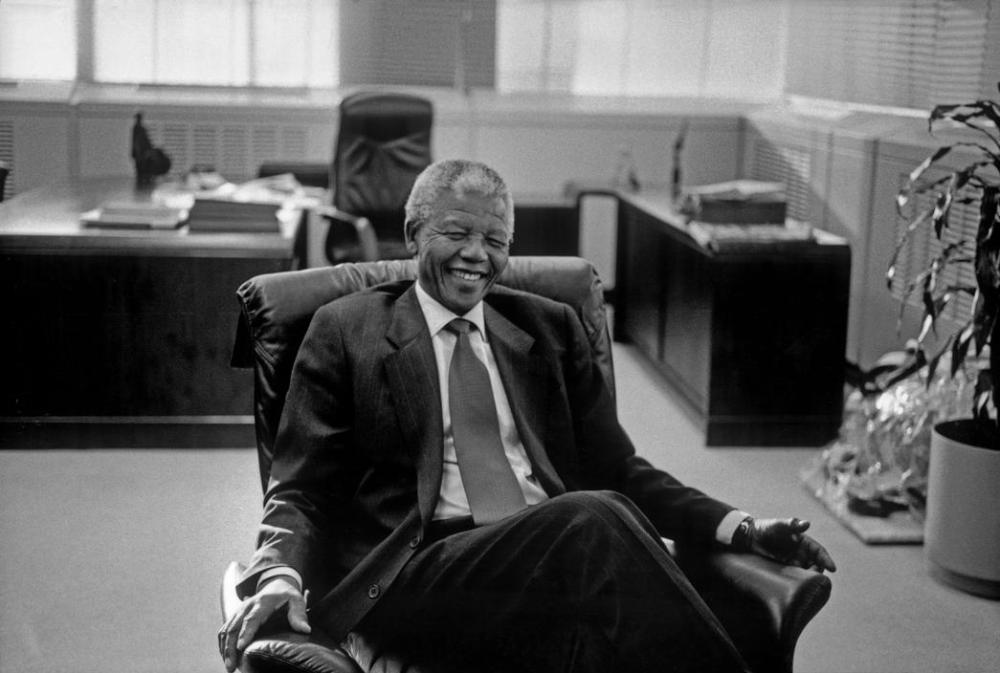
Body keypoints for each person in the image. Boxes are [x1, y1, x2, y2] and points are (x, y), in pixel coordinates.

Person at [219, 159, 836, 673]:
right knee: (596, 516)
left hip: (546, 563)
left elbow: (620, 468)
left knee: (596, 607)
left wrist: (741, 526)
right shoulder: (345, 328)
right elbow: (298, 485)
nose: (476, 256)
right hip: (420, 569)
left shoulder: (550, 328)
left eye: (495, 242)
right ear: (413, 235)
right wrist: (277, 576)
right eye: (457, 233)